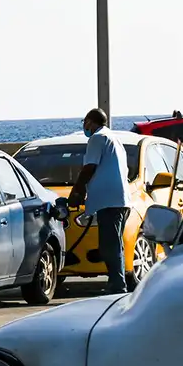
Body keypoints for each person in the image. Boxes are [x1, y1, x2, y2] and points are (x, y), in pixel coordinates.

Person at [68, 108, 132, 294]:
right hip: (120, 200)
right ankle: (117, 283)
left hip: (109, 201)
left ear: (90, 121)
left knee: (110, 246)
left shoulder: (97, 138)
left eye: (85, 122)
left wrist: (77, 191)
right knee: (114, 244)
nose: (84, 126)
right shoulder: (114, 139)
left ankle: (117, 286)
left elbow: (89, 168)